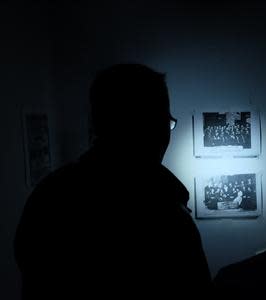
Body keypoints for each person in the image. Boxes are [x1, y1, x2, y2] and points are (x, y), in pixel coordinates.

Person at [14, 64, 211, 299]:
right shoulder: (163, 210)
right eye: (163, 122)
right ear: (147, 125)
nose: (164, 135)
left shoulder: (49, 195)